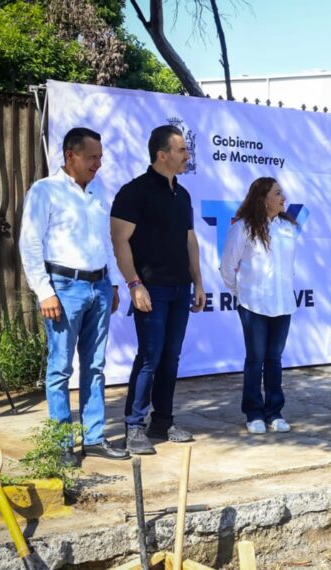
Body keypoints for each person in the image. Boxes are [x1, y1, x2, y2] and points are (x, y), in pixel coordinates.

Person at [18, 127, 129, 466]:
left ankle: (93, 438)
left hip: (98, 285)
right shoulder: (46, 191)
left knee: (95, 366)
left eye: (100, 156)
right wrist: (44, 291)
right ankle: (62, 443)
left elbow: (105, 240)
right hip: (64, 288)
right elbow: (30, 242)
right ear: (71, 156)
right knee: (60, 368)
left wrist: (111, 283)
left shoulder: (97, 191)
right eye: (93, 157)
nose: (99, 163)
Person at [111, 125, 207, 455]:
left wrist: (199, 282)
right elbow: (119, 240)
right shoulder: (134, 192)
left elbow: (189, 240)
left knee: (171, 357)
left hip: (180, 288)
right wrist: (134, 284)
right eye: (182, 150)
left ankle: (162, 422)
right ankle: (134, 426)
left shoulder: (183, 194)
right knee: (150, 357)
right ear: (162, 154)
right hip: (150, 288)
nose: (187, 155)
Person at [219, 177, 298, 435]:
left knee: (274, 360)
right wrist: (240, 295)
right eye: (277, 193)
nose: (283, 197)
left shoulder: (288, 228)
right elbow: (228, 266)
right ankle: (253, 413)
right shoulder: (243, 228)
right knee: (255, 360)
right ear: (263, 198)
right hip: (253, 305)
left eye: (282, 192)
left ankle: (274, 412)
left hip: (283, 304)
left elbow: (288, 267)